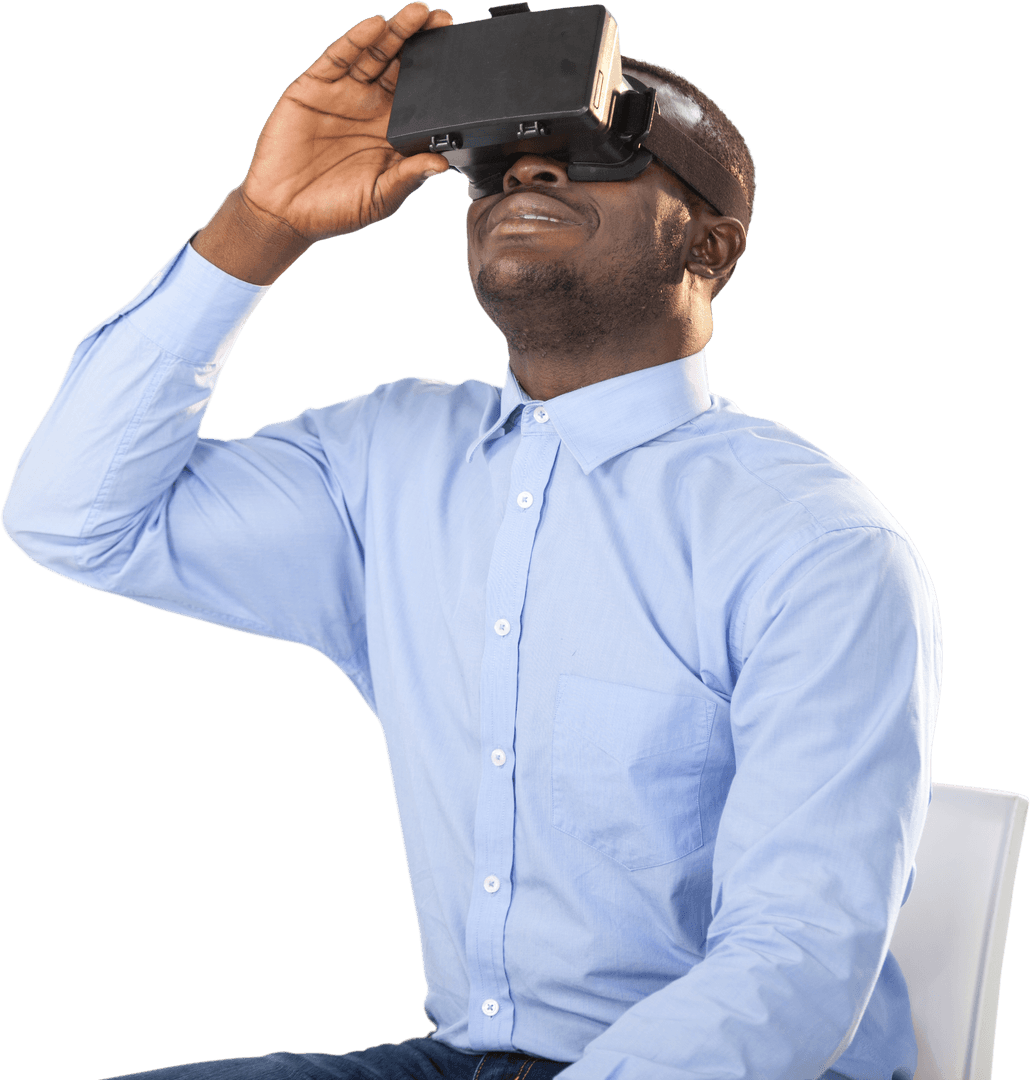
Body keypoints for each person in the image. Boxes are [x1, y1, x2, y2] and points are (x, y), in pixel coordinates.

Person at [1, 3, 941, 1080]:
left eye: (592, 150)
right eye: (495, 165)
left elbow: (797, 965)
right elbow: (74, 516)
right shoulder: (387, 459)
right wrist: (262, 223)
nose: (525, 176)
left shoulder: (814, 545)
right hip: (472, 1058)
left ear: (709, 246)